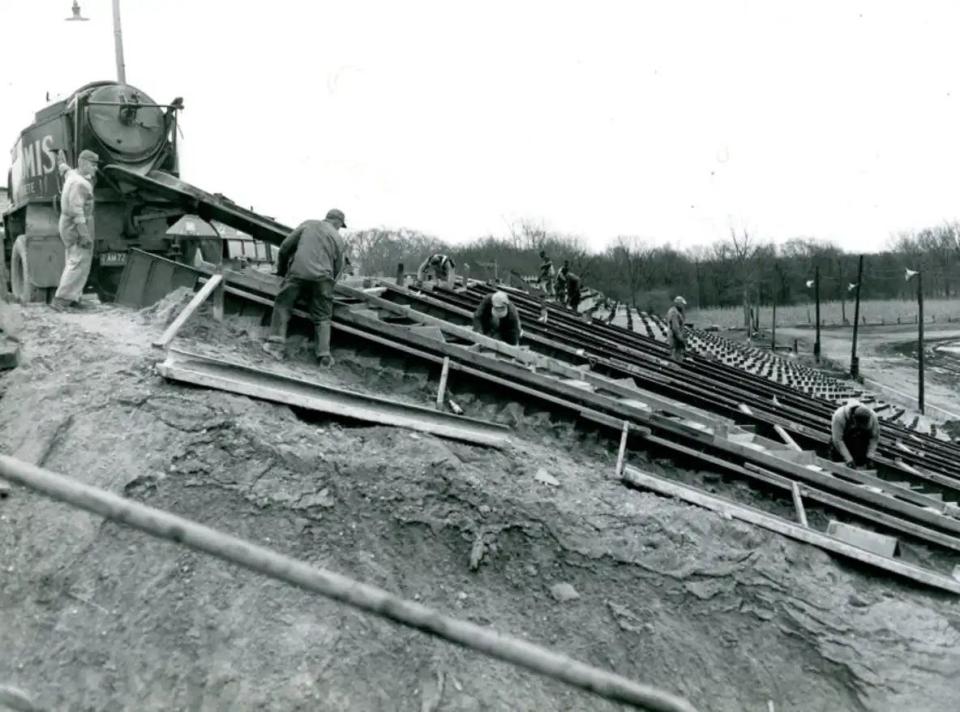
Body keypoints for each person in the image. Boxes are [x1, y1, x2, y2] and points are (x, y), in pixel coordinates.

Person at [263, 208, 349, 367]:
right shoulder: (338, 238)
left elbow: (285, 247)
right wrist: (329, 285)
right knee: (323, 317)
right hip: (324, 278)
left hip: (298, 274)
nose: (339, 228)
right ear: (338, 222)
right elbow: (339, 267)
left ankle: (275, 346)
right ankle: (324, 356)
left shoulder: (308, 224)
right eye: (340, 226)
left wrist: (282, 272)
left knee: (283, 304)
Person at [52, 149, 99, 311]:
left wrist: (61, 163)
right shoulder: (80, 184)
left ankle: (74, 297)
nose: (95, 168)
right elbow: (76, 211)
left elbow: (65, 171)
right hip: (76, 225)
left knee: (74, 259)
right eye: (93, 165)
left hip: (67, 224)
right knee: (78, 261)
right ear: (84, 163)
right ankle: (62, 300)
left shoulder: (72, 176)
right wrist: (84, 234)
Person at [831, 403, 880, 469]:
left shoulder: (873, 418)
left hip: (860, 440)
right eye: (860, 425)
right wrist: (849, 460)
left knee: (861, 459)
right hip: (843, 439)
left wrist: (870, 456)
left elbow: (874, 438)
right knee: (838, 458)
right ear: (854, 418)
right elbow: (838, 440)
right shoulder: (839, 417)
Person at [666, 296, 687, 363]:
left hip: (675, 337)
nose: (683, 306)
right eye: (682, 304)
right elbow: (675, 328)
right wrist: (681, 339)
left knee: (677, 355)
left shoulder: (676, 311)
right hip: (675, 338)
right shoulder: (674, 312)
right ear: (678, 304)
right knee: (676, 357)